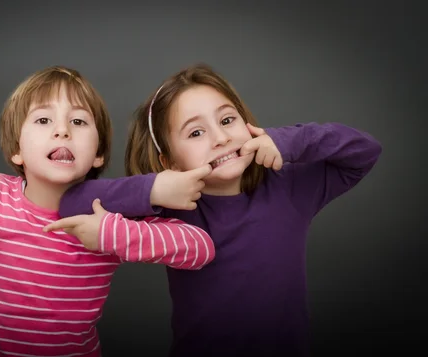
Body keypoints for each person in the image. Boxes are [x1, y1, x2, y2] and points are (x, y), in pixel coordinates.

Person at [0, 66, 216, 357]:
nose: (62, 130)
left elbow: (199, 248)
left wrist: (112, 233)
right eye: (42, 119)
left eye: (79, 122)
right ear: (16, 151)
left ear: (98, 154)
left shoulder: (109, 211)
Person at [58, 63, 383, 356]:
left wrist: (286, 140)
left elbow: (364, 151)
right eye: (196, 132)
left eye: (227, 120)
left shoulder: (289, 187)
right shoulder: (172, 206)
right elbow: (71, 200)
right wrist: (155, 187)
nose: (221, 138)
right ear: (169, 162)